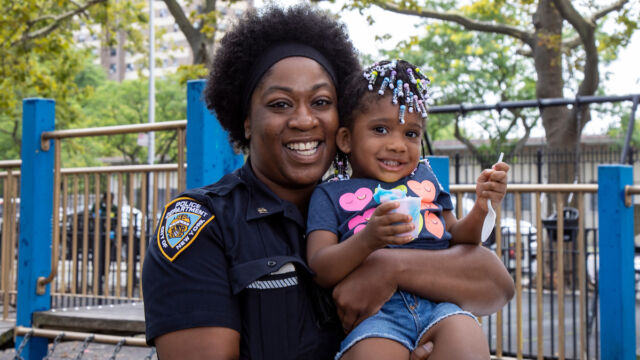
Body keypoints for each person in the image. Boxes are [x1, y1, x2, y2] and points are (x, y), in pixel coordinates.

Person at [142, 5, 515, 360]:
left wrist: (389, 267)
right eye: (280, 104)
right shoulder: (204, 223)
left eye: (321, 102)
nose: (304, 120)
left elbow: (495, 283)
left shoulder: (376, 198)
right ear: (245, 120)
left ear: (342, 122)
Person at [306, 59, 509, 360]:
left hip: (441, 305)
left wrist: (482, 208)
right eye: (380, 129)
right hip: (376, 317)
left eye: (411, 134)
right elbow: (320, 267)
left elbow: (460, 238)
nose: (398, 145)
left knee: (467, 338)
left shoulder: (426, 180)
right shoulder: (329, 194)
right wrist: (368, 239)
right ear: (346, 139)